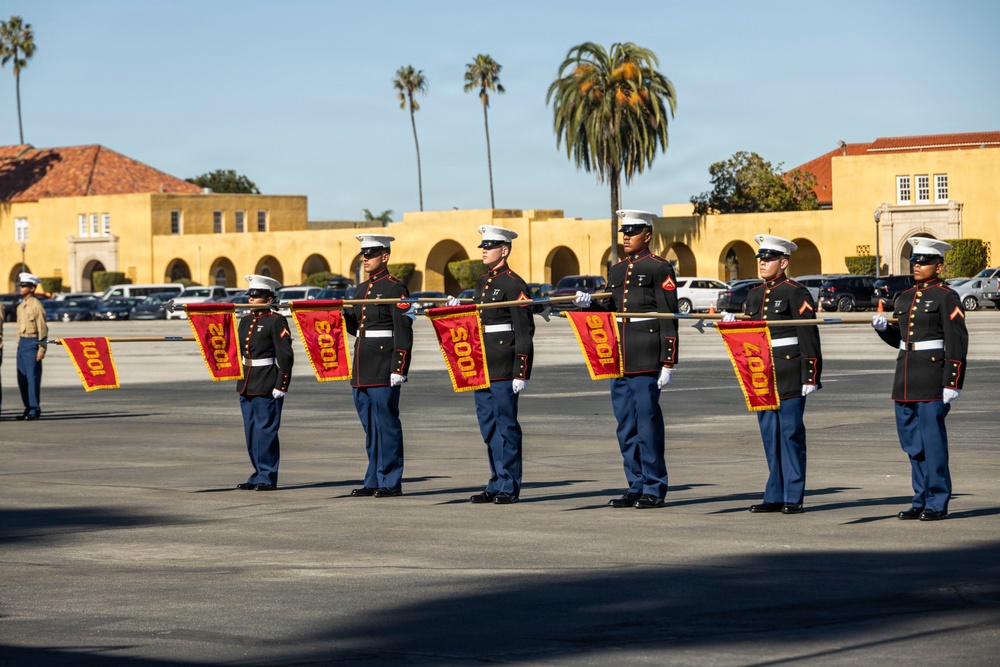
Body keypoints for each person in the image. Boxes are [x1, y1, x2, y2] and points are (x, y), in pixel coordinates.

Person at [574, 210, 678, 509]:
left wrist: (668, 360)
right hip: (620, 357)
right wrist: (586, 305)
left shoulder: (660, 268)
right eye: (624, 232)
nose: (626, 237)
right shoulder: (618, 270)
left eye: (632, 231)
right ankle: (635, 484)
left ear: (648, 234)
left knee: (647, 424)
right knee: (625, 426)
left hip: (646, 355)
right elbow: (607, 309)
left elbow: (669, 316)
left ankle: (654, 487)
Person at [872, 237, 968, 521]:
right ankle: (920, 498)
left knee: (933, 443)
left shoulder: (946, 296)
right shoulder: (904, 297)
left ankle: (938, 501)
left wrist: (953, 381)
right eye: (914, 260)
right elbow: (903, 341)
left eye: (924, 261)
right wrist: (883, 330)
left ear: (938, 265)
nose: (917, 265)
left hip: (931, 379)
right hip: (904, 378)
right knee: (913, 444)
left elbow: (957, 340)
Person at [729, 235, 821, 515]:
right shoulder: (754, 294)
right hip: (761, 372)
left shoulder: (796, 292)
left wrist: (811, 374)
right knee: (770, 435)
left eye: (768, 259)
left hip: (789, 369)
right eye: (761, 259)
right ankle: (774, 494)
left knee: (790, 434)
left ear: (784, 262)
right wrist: (731, 324)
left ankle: (793, 496)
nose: (763, 263)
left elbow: (808, 334)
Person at [466, 225, 534, 505]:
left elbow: (523, 329)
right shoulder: (483, 283)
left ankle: (509, 484)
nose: (483, 250)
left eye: (489, 246)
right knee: (489, 427)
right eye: (482, 246)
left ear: (504, 250)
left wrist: (522, 370)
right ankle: (495, 481)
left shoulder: (513, 283)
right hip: (483, 364)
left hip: (504, 364)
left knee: (506, 426)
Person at [342, 234, 413, 498]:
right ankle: (373, 478)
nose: (366, 259)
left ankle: (390, 481)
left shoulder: (396, 288)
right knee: (370, 428)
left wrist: (399, 367)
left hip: (384, 365)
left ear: (385, 256)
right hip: (362, 365)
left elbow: (403, 329)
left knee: (386, 425)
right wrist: (345, 316)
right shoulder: (360, 290)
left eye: (371, 254)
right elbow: (357, 329)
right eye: (364, 254)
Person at [235, 274, 294, 491]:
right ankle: (257, 473)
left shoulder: (276, 320)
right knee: (251, 432)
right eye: (250, 294)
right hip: (247, 381)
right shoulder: (246, 320)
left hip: (267, 380)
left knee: (265, 432)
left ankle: (267, 476)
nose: (251, 298)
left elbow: (285, 355)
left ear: (269, 298)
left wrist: (282, 383)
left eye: (257, 295)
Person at [15, 273, 47, 421]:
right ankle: (27, 408)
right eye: (21, 285)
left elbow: (42, 329)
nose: (21, 288)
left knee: (32, 379)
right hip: (22, 344)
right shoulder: (21, 306)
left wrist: (41, 350)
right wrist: (18, 343)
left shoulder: (36, 306)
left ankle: (34, 409)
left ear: (32, 288)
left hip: (32, 343)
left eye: (25, 286)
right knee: (22, 380)